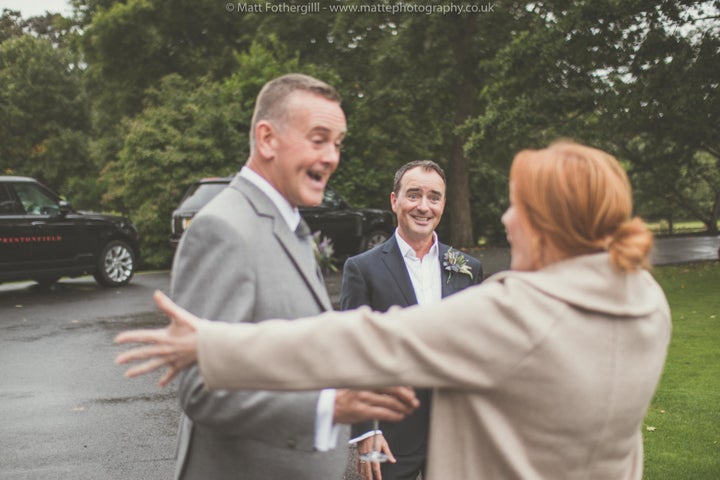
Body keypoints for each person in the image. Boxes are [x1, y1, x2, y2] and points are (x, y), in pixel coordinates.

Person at [116, 141, 671, 480]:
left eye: (516, 206)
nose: (504, 219)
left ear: (550, 222)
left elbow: (369, 340)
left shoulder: (523, 311)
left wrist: (213, 345)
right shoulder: (646, 303)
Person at [161, 73, 418, 480]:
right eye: (318, 139)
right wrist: (330, 408)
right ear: (267, 139)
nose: (332, 156)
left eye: (337, 143)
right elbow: (202, 388)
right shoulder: (223, 230)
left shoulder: (287, 223)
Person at [341, 160, 482, 480]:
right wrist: (365, 433)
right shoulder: (362, 269)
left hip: (454, 433)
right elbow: (353, 352)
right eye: (413, 195)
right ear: (395, 201)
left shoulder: (467, 268)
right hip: (390, 436)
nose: (423, 206)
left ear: (443, 204)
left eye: (434, 197)